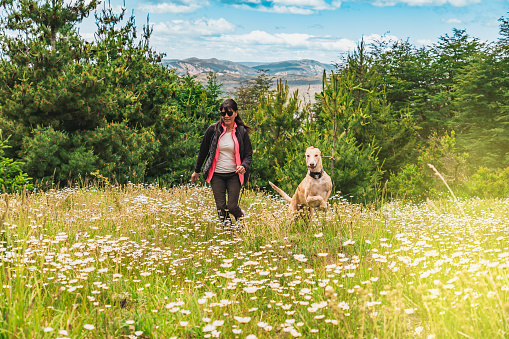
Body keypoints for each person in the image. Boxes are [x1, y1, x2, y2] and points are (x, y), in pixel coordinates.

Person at [191, 98, 253, 231]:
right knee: (221, 209)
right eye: (223, 113)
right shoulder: (213, 130)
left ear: (236, 113)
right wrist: (196, 171)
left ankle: (241, 221)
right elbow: (203, 150)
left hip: (234, 175)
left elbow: (248, 154)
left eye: (229, 113)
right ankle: (230, 236)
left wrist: (244, 166)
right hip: (216, 175)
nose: (226, 116)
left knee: (232, 207)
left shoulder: (241, 132)